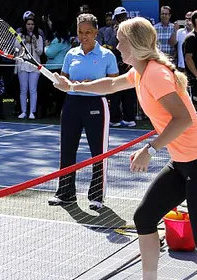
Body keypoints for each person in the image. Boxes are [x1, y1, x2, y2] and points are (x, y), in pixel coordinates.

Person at [52, 16, 197, 280]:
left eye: (120, 41)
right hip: (181, 163)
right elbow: (110, 85)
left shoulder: (155, 74)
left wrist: (150, 150)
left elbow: (183, 119)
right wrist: (73, 86)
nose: (116, 46)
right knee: (144, 219)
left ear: (133, 44)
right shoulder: (140, 71)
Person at [47, 13, 119, 211]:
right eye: (80, 32)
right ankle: (65, 193)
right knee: (67, 149)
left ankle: (96, 197)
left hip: (96, 105)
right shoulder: (71, 54)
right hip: (72, 105)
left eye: (88, 32)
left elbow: (114, 84)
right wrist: (61, 83)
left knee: (98, 153)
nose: (83, 36)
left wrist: (92, 85)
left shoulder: (107, 55)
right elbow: (63, 82)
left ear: (96, 32)